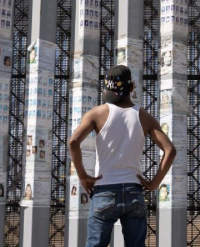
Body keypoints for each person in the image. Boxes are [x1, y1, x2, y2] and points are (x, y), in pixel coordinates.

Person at [69, 65, 176, 247]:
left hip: (105, 190)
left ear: (107, 89)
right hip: (135, 192)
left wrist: (83, 177)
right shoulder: (144, 117)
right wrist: (154, 183)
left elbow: (73, 142)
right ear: (132, 87)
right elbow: (170, 150)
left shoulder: (97, 114)